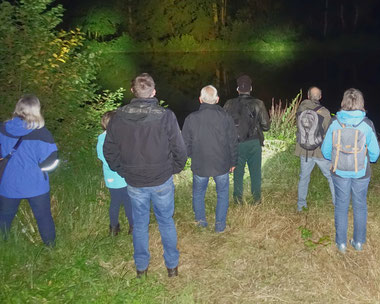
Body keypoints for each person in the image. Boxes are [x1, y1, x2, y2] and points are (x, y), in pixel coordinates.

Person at [103, 73, 187, 278]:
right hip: (161, 179)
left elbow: (109, 151)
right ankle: (172, 268)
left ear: (133, 91)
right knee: (166, 221)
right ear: (154, 92)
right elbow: (180, 149)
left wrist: (122, 170)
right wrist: (174, 168)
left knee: (140, 224)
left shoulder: (118, 117)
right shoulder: (166, 116)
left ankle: (142, 269)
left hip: (135, 181)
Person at [321, 88, 380, 253]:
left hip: (339, 171)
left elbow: (326, 150)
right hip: (361, 172)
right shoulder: (366, 124)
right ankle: (359, 242)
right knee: (360, 205)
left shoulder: (335, 122)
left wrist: (334, 158)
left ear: (344, 102)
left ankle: (341, 243)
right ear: (361, 103)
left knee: (341, 205)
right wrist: (369, 158)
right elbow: (375, 154)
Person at [0, 95, 59, 246]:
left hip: (9, 183)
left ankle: (3, 247)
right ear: (36, 110)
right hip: (36, 184)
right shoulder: (42, 133)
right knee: (43, 217)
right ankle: (51, 248)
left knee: (4, 217)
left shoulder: (3, 129)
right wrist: (41, 170)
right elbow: (52, 160)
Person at [182, 85, 238, 233]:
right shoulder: (226, 117)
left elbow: (185, 144)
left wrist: (190, 156)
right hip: (222, 164)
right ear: (217, 100)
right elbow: (232, 141)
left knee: (199, 193)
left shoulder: (191, 119)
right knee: (222, 193)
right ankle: (220, 226)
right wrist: (233, 162)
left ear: (200, 100)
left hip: (200, 164)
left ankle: (201, 223)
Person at [223, 75, 270, 204]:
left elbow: (223, 125)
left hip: (236, 143)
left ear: (238, 89)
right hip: (254, 142)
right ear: (251, 89)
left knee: (237, 171)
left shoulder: (229, 103)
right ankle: (256, 199)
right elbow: (266, 126)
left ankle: (237, 199)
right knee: (255, 171)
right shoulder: (258, 103)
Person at [295, 86, 335, 211]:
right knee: (331, 176)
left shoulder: (301, 108)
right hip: (319, 151)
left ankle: (301, 206)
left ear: (308, 96)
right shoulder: (325, 112)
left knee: (304, 177)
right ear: (320, 97)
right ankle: (337, 203)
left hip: (304, 150)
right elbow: (328, 133)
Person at [97, 110, 133, 236]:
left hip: (111, 179)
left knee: (115, 202)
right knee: (128, 201)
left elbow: (102, 157)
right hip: (122, 176)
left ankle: (114, 228)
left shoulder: (101, 139)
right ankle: (132, 226)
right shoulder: (116, 138)